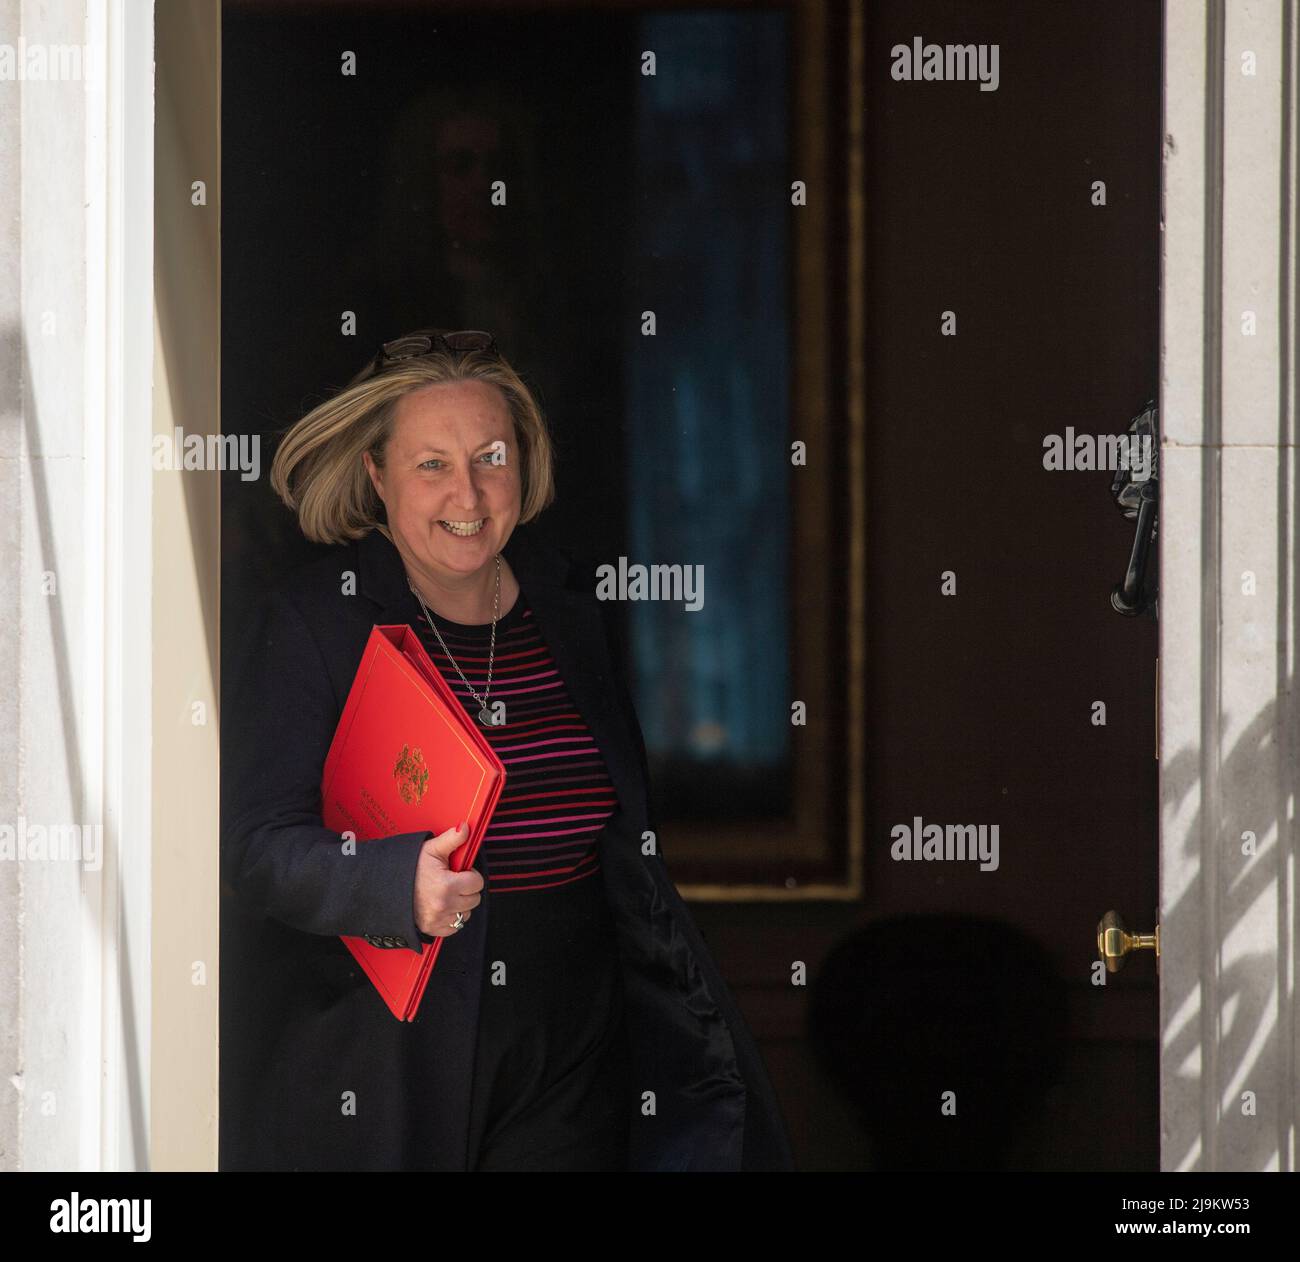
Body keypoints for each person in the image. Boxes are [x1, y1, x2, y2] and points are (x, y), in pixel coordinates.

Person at [219, 328, 795, 1171]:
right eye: (431, 465)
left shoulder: (568, 607)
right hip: (393, 1054)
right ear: (377, 476)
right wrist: (391, 882)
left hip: (573, 1049)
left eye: (491, 457)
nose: (469, 492)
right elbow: (256, 847)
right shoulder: (318, 623)